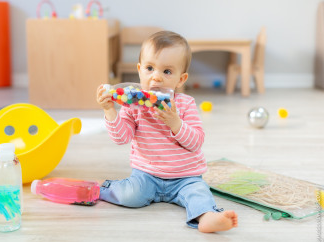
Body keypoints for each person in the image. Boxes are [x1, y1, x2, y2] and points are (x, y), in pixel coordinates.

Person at [96, 31, 238, 233]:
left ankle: (207, 217)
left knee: (199, 193)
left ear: (181, 79)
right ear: (139, 70)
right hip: (147, 175)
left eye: (167, 72)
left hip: (185, 177)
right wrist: (110, 111)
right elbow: (121, 138)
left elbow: (196, 141)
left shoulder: (185, 104)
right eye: (150, 68)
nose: (156, 77)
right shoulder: (133, 106)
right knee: (131, 196)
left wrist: (175, 123)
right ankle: (103, 189)